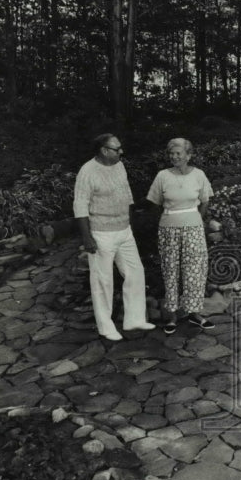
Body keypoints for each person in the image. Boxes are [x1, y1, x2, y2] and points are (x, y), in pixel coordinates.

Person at [73, 133, 154, 341]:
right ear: (104, 150)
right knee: (103, 280)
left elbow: (127, 195)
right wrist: (87, 237)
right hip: (101, 233)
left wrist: (131, 224)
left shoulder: (119, 165)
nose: (121, 152)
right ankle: (106, 326)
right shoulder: (87, 171)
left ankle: (134, 319)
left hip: (124, 230)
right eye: (117, 149)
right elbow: (80, 205)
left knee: (135, 272)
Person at [146, 137, 215, 334]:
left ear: (189, 155)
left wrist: (196, 220)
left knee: (195, 270)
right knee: (171, 270)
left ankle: (194, 313)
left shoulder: (199, 175)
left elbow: (205, 201)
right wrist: (169, 220)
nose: (174, 157)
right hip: (169, 228)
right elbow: (155, 203)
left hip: (193, 228)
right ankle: (172, 316)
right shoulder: (162, 176)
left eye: (178, 153)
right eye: (171, 153)